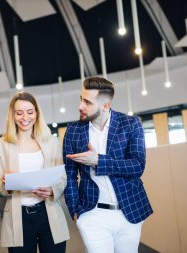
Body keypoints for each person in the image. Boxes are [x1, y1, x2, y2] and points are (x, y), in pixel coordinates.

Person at [63, 77, 153, 253]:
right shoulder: (73, 130)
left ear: (105, 106)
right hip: (92, 213)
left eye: (87, 102)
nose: (80, 106)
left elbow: (137, 166)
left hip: (130, 210)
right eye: (81, 99)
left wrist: (98, 161)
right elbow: (69, 174)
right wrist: (75, 211)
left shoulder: (130, 124)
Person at [0, 92, 69, 253]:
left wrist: (52, 190)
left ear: (37, 113)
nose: (25, 117)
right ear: (12, 115)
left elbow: (61, 177)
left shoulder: (51, 141)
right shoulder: (1, 144)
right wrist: (8, 185)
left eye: (30, 112)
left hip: (49, 213)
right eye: (19, 113)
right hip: (18, 217)